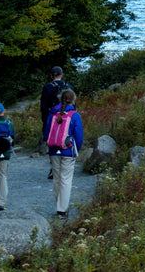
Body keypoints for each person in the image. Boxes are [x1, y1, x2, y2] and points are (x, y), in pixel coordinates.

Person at [46, 88, 83, 219]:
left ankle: (58, 206)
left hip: (53, 150)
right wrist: (76, 148)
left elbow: (47, 133)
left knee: (57, 178)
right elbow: (78, 136)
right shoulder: (75, 115)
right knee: (66, 180)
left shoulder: (53, 113)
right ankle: (62, 209)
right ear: (73, 100)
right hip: (68, 151)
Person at [39, 67, 71, 179]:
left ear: (51, 75)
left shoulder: (47, 87)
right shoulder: (68, 87)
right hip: (66, 118)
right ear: (62, 75)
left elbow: (43, 107)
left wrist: (45, 121)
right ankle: (64, 165)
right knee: (65, 140)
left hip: (52, 118)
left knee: (53, 142)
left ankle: (54, 168)